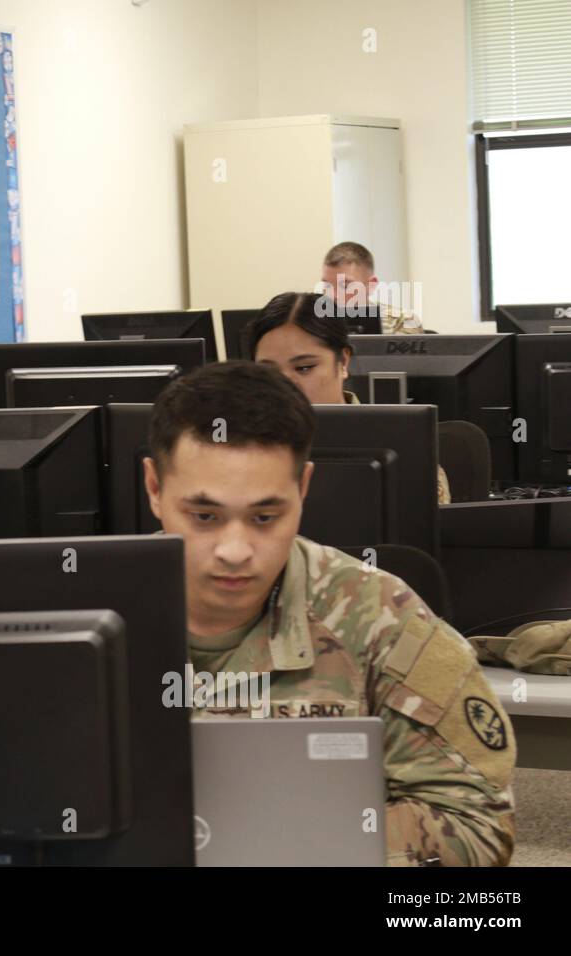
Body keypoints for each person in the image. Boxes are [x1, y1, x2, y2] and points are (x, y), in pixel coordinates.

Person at [142, 361, 514, 866]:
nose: (234, 550)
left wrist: (300, 848)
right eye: (205, 516)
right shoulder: (81, 619)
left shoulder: (379, 617)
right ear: (154, 488)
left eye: (265, 517)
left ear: (305, 489)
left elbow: (477, 823)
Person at [245, 291, 451, 504]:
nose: (285, 385)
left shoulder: (402, 448)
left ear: (343, 362)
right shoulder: (239, 449)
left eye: (304, 368)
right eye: (269, 372)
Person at [320, 240, 424, 334]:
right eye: (327, 285)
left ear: (371, 285)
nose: (332, 296)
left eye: (345, 286)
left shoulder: (402, 321)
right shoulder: (312, 323)